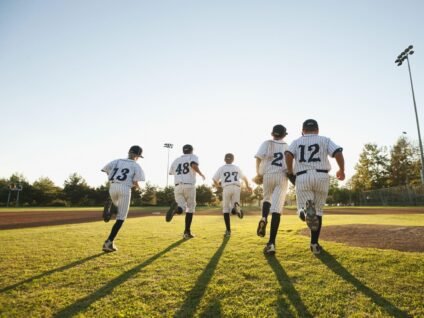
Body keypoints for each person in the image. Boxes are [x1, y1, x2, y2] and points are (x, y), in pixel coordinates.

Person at [285, 119, 345, 255]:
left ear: (303, 130)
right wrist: (341, 170)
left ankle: (304, 212)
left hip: (302, 176)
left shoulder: (296, 141)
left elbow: (288, 154)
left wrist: (289, 170)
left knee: (304, 207)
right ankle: (314, 244)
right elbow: (338, 153)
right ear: (317, 130)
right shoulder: (325, 139)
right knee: (318, 212)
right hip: (322, 176)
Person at [101, 145, 145, 252]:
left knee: (117, 208)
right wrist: (139, 189)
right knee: (121, 217)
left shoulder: (117, 161)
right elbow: (135, 182)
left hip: (112, 187)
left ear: (129, 152)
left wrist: (112, 177)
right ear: (137, 155)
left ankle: (112, 208)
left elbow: (105, 170)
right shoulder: (136, 165)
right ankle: (109, 242)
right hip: (125, 188)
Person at [254, 124, 290, 255]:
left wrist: (258, 173)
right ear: (284, 135)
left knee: (266, 198)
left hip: (267, 175)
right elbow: (290, 164)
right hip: (281, 176)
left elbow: (258, 158)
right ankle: (271, 244)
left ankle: (263, 217)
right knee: (277, 210)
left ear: (272, 134)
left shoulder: (266, 143)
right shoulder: (287, 146)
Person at [166, 144, 205, 239]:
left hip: (177, 186)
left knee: (181, 207)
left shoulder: (176, 160)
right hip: (189, 185)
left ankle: (176, 209)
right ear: (192, 150)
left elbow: (170, 172)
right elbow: (193, 165)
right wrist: (200, 173)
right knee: (190, 209)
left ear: (183, 151)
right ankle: (187, 232)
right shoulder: (193, 156)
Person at [212, 153, 252, 237]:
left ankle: (228, 231)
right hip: (237, 187)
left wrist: (218, 186)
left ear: (224, 159)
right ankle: (236, 207)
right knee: (234, 206)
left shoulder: (222, 168)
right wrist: (248, 186)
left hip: (226, 187)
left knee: (226, 210)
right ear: (233, 160)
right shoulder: (236, 167)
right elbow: (244, 178)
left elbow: (214, 179)